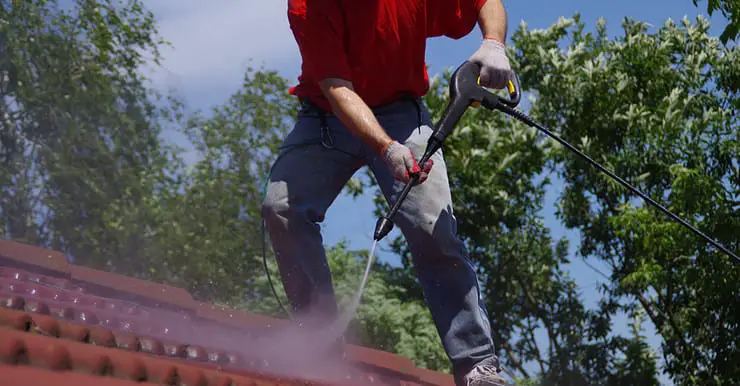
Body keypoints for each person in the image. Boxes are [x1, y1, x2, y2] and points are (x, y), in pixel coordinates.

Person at [261, 1, 515, 385]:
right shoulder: (307, 8)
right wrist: (386, 148)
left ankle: (476, 362)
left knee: (433, 228)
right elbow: (335, 88)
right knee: (281, 208)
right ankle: (321, 349)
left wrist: (494, 43)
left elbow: (484, 2)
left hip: (401, 112)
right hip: (326, 117)